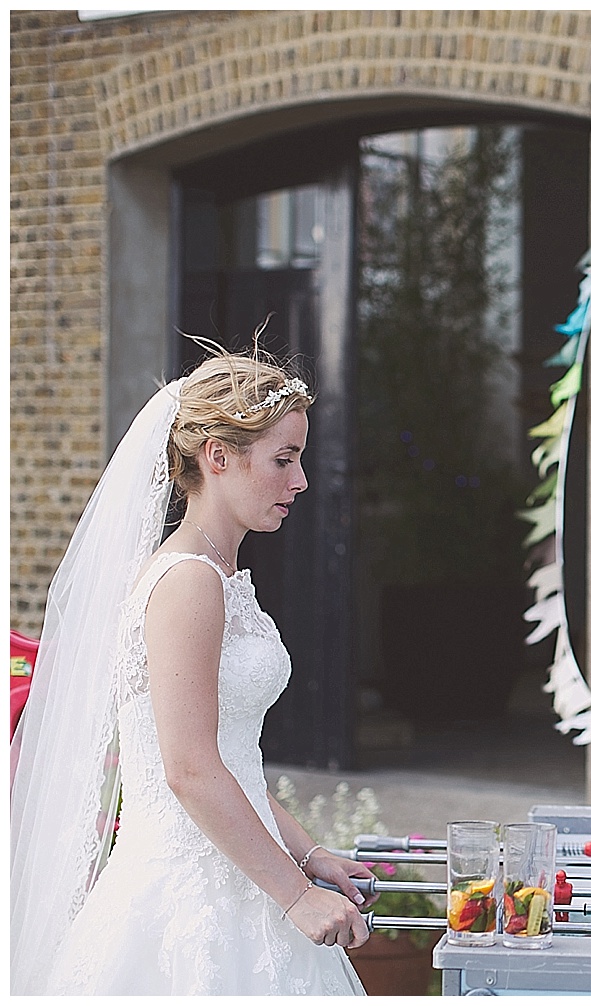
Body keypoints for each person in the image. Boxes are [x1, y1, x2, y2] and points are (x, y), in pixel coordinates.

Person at [11, 344, 372, 994]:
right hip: (185, 900)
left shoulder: (223, 576)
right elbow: (190, 770)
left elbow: (233, 763)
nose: (302, 481)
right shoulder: (188, 583)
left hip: (242, 869)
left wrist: (309, 855)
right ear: (218, 457)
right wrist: (296, 897)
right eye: (284, 459)